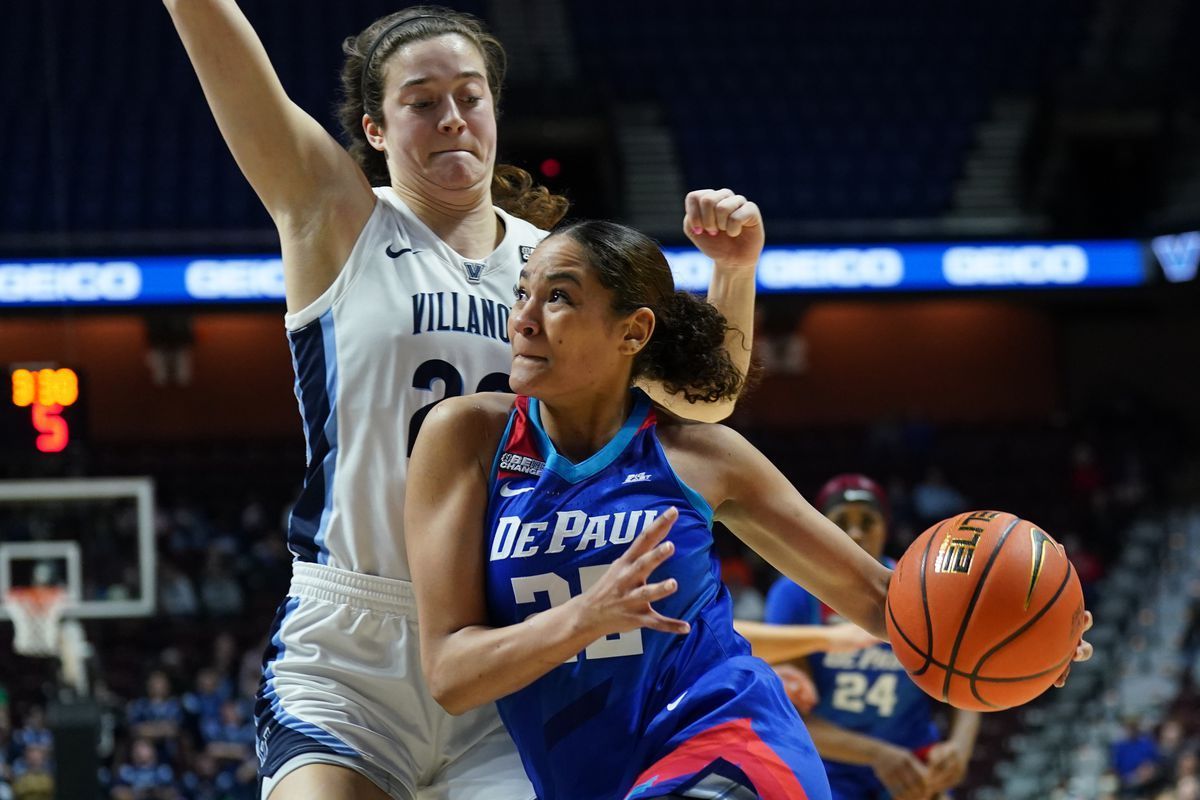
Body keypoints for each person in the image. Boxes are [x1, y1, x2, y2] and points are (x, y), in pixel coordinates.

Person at [163, 4, 760, 799]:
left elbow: (702, 400)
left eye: (470, 96)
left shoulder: (558, 265)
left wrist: (733, 271)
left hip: (516, 645)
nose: (451, 117)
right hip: (353, 646)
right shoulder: (337, 219)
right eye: (420, 101)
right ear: (375, 129)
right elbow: (234, 68)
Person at [405, 219, 1091, 799]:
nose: (522, 317)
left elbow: (887, 601)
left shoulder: (702, 456)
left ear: (632, 332)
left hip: (729, 741)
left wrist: (1033, 634)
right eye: (523, 292)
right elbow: (452, 676)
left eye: (558, 299)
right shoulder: (467, 437)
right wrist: (585, 617)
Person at [764, 474, 980, 800]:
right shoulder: (792, 595)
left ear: (885, 528)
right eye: (840, 521)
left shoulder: (921, 587)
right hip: (828, 764)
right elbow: (793, 716)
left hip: (912, 761)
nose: (855, 532)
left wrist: (959, 749)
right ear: (819, 528)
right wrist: (876, 754)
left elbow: (968, 673)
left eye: (868, 521)